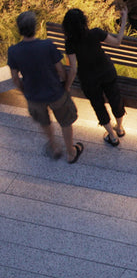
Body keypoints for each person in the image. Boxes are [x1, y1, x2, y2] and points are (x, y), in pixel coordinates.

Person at [6, 10, 82, 164]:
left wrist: (24, 91)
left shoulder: (13, 51)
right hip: (56, 92)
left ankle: (54, 147)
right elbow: (61, 70)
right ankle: (70, 153)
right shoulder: (47, 45)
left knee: (44, 122)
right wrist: (66, 86)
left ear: (19, 29)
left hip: (34, 96)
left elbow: (15, 78)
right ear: (35, 27)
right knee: (66, 121)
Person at [62, 5, 128, 146]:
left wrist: (67, 87)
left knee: (98, 105)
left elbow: (73, 69)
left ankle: (112, 136)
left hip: (88, 78)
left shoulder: (70, 43)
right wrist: (124, 20)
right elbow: (117, 42)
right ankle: (120, 128)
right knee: (115, 98)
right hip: (107, 71)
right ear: (84, 21)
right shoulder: (95, 33)